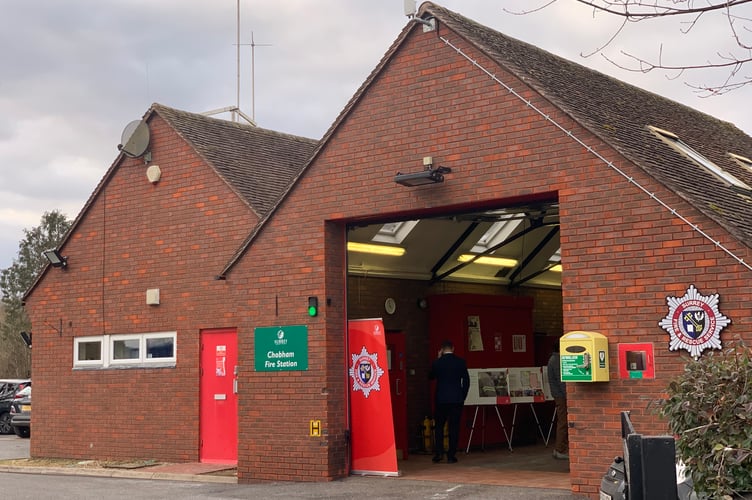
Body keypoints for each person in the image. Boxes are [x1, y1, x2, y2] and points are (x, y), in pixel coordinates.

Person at [429, 339, 470, 464]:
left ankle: (439, 453)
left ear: (441, 349)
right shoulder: (460, 362)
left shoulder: (437, 363)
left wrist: (438, 358)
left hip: (441, 399)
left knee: (439, 427)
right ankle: (451, 455)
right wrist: (462, 396)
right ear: (453, 348)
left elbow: (430, 377)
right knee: (454, 427)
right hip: (456, 399)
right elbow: (467, 382)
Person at [547, 341, 569, 460]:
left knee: (562, 421)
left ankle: (560, 448)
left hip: (557, 394)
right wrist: (568, 396)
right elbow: (562, 381)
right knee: (563, 421)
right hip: (561, 395)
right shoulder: (557, 360)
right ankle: (560, 449)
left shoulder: (552, 359)